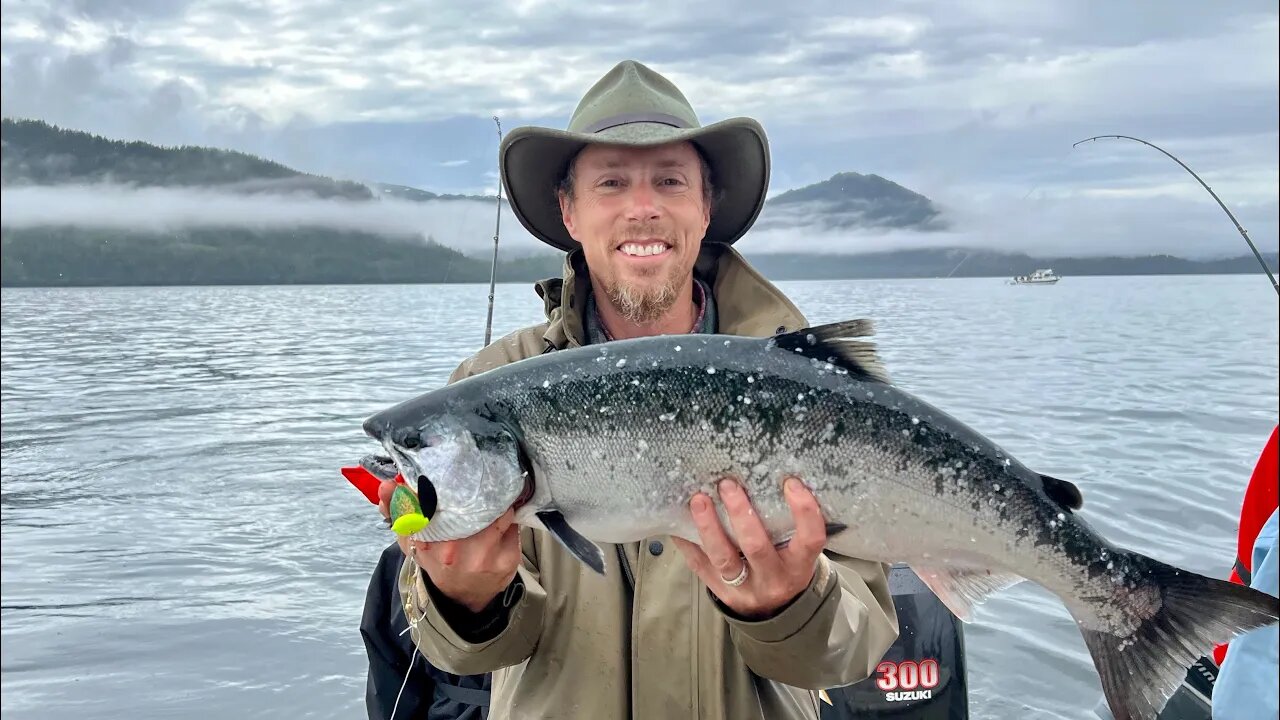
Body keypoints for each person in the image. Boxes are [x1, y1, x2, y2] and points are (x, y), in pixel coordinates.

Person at [361, 59, 900, 719]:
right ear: (570, 211)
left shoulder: (809, 389)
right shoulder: (484, 388)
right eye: (611, 182)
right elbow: (463, 654)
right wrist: (462, 598)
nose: (642, 208)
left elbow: (855, 647)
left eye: (669, 181)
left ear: (705, 207)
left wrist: (787, 605)